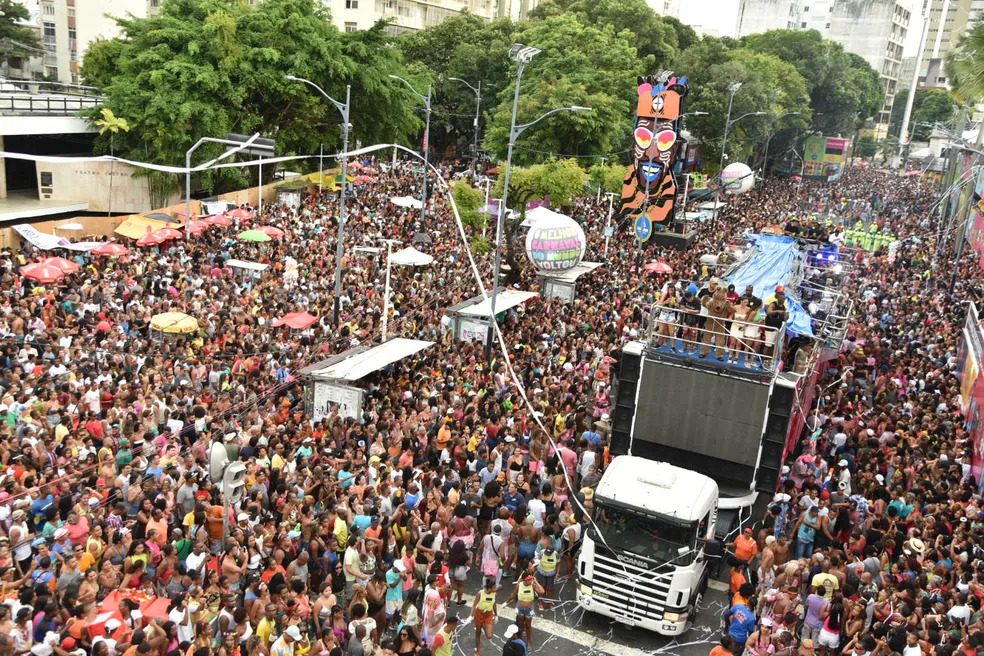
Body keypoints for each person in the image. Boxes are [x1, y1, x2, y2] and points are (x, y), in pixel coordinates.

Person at [507, 569, 544, 648]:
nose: (529, 581)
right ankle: (520, 641)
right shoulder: (519, 585)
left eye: (530, 579)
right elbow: (513, 595)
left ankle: (529, 641)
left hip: (529, 609)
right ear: (524, 580)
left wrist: (535, 581)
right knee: (520, 626)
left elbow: (542, 591)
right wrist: (506, 602)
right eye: (527, 580)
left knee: (528, 626)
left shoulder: (533, 585)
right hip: (520, 608)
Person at [471, 578, 498, 656]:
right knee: (478, 632)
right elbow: (474, 605)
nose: (496, 588)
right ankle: (478, 650)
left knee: (489, 636)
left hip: (489, 614)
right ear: (489, 588)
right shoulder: (480, 593)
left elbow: (494, 604)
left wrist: (496, 615)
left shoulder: (494, 593)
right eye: (494, 587)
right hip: (479, 613)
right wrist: (471, 616)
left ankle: (483, 625)